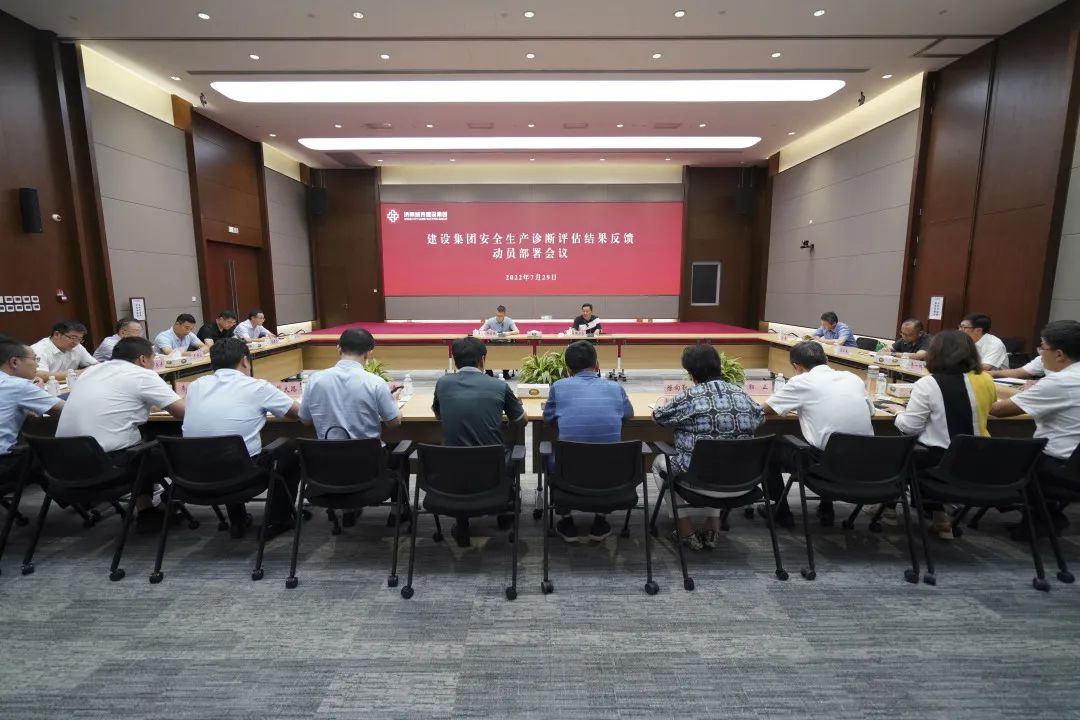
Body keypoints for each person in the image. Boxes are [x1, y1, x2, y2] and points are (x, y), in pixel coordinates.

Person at [55, 337, 185, 531]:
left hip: (63, 467)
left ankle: (146, 511)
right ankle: (171, 499)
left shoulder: (90, 371)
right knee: (179, 450)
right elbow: (183, 412)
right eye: (153, 359)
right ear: (143, 359)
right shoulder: (142, 375)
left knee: (140, 445)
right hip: (106, 467)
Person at [182, 338, 300, 538]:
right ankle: (277, 520)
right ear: (245, 360)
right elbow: (298, 413)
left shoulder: (195, 386)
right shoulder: (257, 386)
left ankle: (238, 520)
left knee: (225, 449)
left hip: (193, 476)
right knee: (291, 450)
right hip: (240, 478)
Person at [653, 345, 765, 550]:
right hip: (743, 481)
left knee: (660, 462)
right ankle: (713, 525)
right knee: (720, 454)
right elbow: (760, 417)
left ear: (690, 372)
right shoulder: (741, 394)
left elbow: (659, 417)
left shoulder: (689, 397)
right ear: (719, 366)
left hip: (700, 482)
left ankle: (685, 529)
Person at [889, 330, 997, 539]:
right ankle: (939, 518)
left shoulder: (928, 384)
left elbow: (910, 427)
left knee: (902, 450)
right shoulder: (985, 379)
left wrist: (898, 413)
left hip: (939, 464)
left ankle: (887, 507)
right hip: (979, 460)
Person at [760, 341, 874, 527]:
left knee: (769, 450)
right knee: (829, 439)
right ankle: (826, 507)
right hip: (864, 464)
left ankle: (781, 512)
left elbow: (765, 410)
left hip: (824, 466)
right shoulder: (852, 378)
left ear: (797, 366)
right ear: (826, 360)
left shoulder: (801, 381)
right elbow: (871, 412)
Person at [432, 336, 527, 546]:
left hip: (451, 469)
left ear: (454, 361)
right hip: (490, 469)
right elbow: (522, 421)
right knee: (512, 449)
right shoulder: (498, 385)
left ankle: (462, 522)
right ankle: (503, 512)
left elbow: (439, 416)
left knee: (461, 457)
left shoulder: (442, 383)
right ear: (483, 360)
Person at [990, 320, 1080, 537]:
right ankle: (1043, 515)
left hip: (1060, 466)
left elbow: (998, 411)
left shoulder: (1060, 382)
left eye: (1042, 348)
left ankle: (1042, 516)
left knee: (991, 459)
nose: (1040, 353)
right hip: (1073, 461)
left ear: (1059, 354)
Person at [543, 340, 632, 543]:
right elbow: (628, 415)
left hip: (569, 472)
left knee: (549, 456)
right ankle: (601, 519)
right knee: (606, 456)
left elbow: (548, 419)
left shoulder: (558, 387)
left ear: (568, 369)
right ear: (597, 365)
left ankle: (566, 520)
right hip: (611, 472)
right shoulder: (616, 388)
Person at [300, 328, 401, 440]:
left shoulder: (315, 380)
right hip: (367, 451)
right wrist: (393, 402)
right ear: (368, 353)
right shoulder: (375, 383)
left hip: (326, 450)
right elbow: (394, 423)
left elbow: (305, 420)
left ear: (338, 349)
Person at [0, 338, 64, 479]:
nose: (37, 364)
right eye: (35, 359)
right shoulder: (17, 385)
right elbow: (65, 410)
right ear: (14, 362)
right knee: (58, 453)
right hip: (3, 462)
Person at [31, 320, 98, 381]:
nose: (76, 342)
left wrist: (86, 371)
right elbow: (38, 374)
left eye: (80, 339)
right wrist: (73, 374)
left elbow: (96, 365)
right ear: (57, 334)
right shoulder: (38, 349)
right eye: (73, 338)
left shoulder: (77, 346)